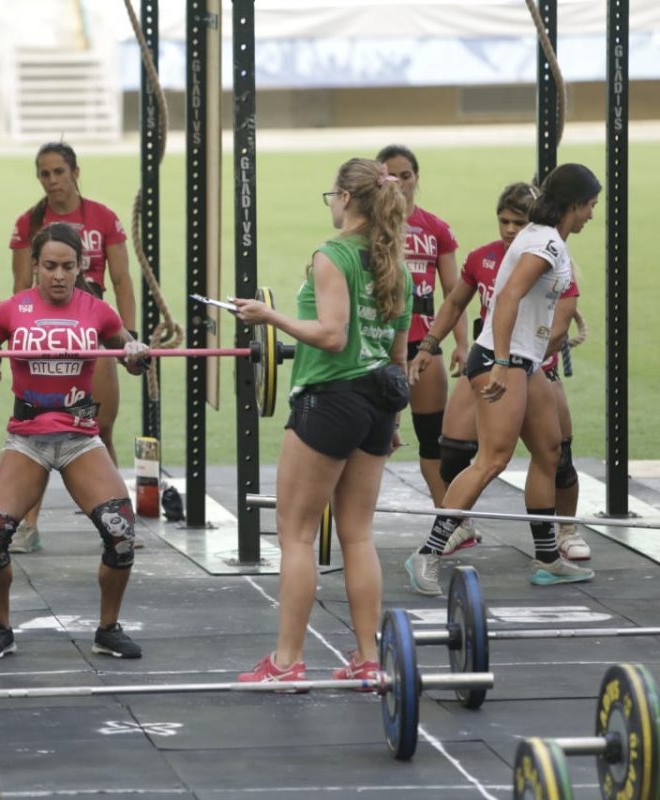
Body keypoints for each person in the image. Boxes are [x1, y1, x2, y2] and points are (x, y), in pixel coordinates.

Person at [232, 158, 411, 687]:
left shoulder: (331, 255)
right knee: (357, 535)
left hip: (330, 402)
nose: (330, 203)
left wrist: (270, 318)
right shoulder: (395, 264)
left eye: (331, 195)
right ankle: (367, 658)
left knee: (297, 535)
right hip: (377, 407)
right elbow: (397, 357)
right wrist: (393, 421)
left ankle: (286, 662)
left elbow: (332, 336)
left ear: (347, 199)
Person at [404, 163, 601, 596]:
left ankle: (548, 558)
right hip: (503, 360)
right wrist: (502, 361)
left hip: (524, 363)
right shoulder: (545, 244)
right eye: (589, 206)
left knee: (549, 452)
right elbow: (509, 295)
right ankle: (427, 553)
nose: (591, 215)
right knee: (491, 460)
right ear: (573, 205)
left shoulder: (544, 238)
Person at [0, 222, 150, 660]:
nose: (59, 276)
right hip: (27, 440)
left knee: (120, 530)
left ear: (81, 266)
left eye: (68, 266)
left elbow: (130, 354)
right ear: (35, 266)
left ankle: (108, 629)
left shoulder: (97, 311)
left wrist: (137, 354)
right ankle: (1, 628)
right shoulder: (11, 309)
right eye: (49, 266)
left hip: (80, 438)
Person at [6, 142, 136, 553]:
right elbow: (18, 289)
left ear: (75, 172)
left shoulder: (103, 218)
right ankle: (28, 526)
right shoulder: (29, 221)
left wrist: (128, 338)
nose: (52, 181)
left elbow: (122, 280)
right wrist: (14, 342)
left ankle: (114, 520)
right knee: (40, 427)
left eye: (59, 172)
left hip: (92, 329)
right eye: (44, 174)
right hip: (43, 331)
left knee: (101, 425)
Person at [377, 145, 468, 523]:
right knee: (373, 439)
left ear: (416, 178)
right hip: (379, 348)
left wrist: (463, 344)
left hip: (424, 348)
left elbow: (455, 294)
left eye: (406, 175)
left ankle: (451, 520)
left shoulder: (436, 230)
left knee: (434, 440)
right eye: (390, 176)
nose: (399, 182)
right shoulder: (369, 229)